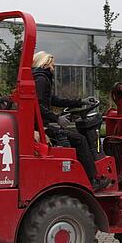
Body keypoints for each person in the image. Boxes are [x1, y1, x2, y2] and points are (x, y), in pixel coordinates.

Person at [31, 51, 110, 191]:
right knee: (80, 140)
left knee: (75, 136)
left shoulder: (38, 78)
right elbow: (38, 105)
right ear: (45, 63)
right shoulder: (41, 79)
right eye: (52, 65)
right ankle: (93, 180)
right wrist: (56, 118)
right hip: (41, 128)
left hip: (41, 125)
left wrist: (80, 102)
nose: (53, 69)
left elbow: (53, 100)